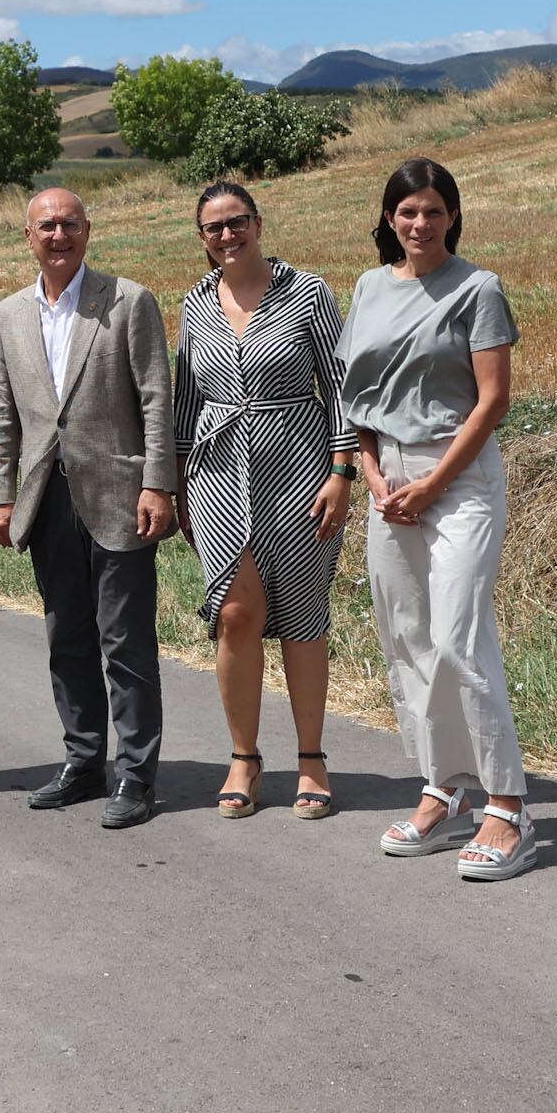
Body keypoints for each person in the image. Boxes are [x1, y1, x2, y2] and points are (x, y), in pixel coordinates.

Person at [340, 157, 536, 880]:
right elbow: (354, 392)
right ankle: (442, 787)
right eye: (406, 212)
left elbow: (492, 402)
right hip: (386, 476)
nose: (418, 224)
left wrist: (430, 485)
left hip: (457, 478)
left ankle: (507, 805)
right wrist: (370, 473)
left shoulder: (478, 289)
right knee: (411, 640)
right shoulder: (367, 286)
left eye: (431, 210)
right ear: (388, 219)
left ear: (452, 214)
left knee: (459, 637)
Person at [0, 185, 179, 829]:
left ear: (87, 231)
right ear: (28, 237)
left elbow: (156, 398)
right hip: (46, 497)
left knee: (125, 642)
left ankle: (137, 775)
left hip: (120, 495)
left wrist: (158, 483)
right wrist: (0, 492)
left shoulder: (127, 301)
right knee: (66, 637)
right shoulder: (7, 316)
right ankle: (83, 760)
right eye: (46, 227)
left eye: (69, 224)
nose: (58, 236)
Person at [172, 181, 356, 820]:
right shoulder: (195, 303)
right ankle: (244, 759)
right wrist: (174, 480)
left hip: (300, 469)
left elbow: (339, 386)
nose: (227, 235)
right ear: (201, 238)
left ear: (258, 222)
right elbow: (185, 402)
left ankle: (312, 759)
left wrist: (342, 470)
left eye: (237, 222)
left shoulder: (308, 293)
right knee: (234, 616)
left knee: (303, 617)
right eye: (214, 227)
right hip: (218, 471)